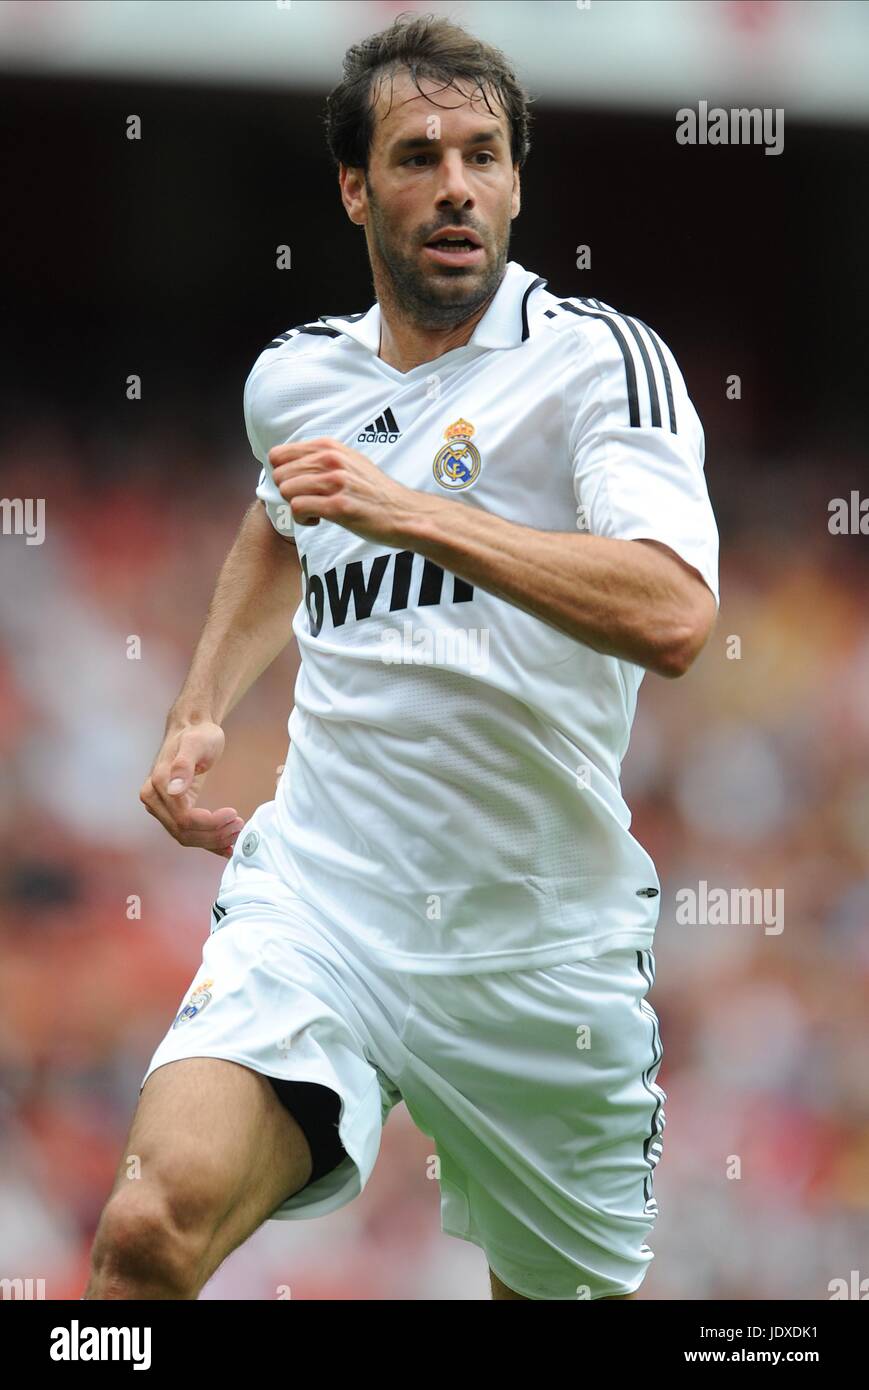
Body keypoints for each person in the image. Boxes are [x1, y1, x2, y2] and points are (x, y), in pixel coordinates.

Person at [84, 13, 718, 1301]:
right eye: (419, 155)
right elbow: (281, 517)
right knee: (149, 1233)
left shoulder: (600, 364)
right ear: (354, 188)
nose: (456, 186)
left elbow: (674, 616)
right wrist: (201, 704)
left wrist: (415, 509)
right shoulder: (298, 377)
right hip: (326, 905)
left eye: (486, 155)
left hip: (543, 953)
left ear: (520, 183)